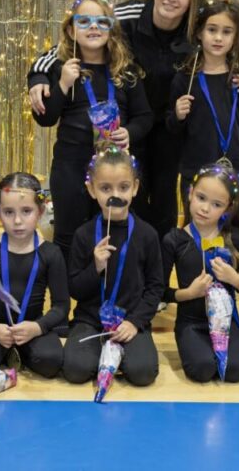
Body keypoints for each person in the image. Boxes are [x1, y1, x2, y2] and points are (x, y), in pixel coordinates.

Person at [27, 0, 239, 238]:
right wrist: (40, 77)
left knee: (164, 208)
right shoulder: (127, 14)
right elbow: (75, 42)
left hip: (172, 131)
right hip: (131, 131)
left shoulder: (199, 25)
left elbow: (228, 51)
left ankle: (157, 277)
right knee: (130, 207)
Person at [31, 0, 152, 259]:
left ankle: (106, 290)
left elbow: (145, 117)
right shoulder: (61, 68)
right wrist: (62, 84)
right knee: (67, 233)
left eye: (101, 21)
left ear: (111, 29)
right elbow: (45, 118)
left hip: (113, 168)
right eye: (84, 21)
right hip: (70, 166)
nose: (93, 27)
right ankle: (65, 296)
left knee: (112, 231)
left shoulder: (125, 71)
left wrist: (129, 132)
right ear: (71, 31)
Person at [62, 147, 164, 386]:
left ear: (136, 188)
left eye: (123, 187)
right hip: (90, 320)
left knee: (143, 373)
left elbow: (155, 287)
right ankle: (101, 351)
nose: (115, 195)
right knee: (75, 371)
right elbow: (75, 288)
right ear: (91, 189)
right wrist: (95, 267)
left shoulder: (147, 235)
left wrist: (135, 322)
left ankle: (116, 353)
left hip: (130, 321)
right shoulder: (83, 234)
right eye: (105, 188)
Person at [0, 172, 67, 378]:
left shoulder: (51, 253)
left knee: (51, 363)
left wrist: (37, 327)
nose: (17, 220)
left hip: (31, 327)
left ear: (40, 211)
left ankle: (14, 353)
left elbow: (61, 305)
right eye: (9, 212)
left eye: (26, 211)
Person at [161, 163, 239, 382]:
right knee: (202, 369)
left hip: (226, 322)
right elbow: (160, 292)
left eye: (216, 204)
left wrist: (235, 279)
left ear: (228, 208)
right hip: (191, 322)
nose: (205, 208)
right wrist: (189, 293)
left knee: (235, 371)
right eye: (201, 198)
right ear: (190, 194)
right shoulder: (174, 240)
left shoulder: (236, 238)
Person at [167, 0, 239, 218]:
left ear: (236, 38)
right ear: (199, 33)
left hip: (235, 174)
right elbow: (171, 130)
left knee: (232, 234)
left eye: (227, 32)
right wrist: (178, 116)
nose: (218, 38)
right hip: (195, 174)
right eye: (212, 30)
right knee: (196, 231)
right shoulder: (184, 79)